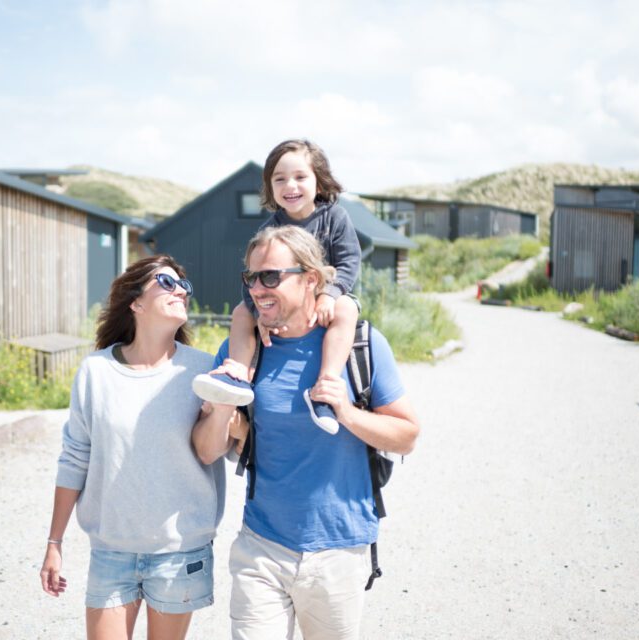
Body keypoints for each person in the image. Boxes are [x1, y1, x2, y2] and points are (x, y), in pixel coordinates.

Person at [192, 226, 420, 640]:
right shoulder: (242, 352)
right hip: (261, 547)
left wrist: (347, 413)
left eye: (271, 277)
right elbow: (207, 452)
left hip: (340, 548)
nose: (257, 289)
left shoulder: (360, 346)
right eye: (251, 278)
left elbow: (407, 435)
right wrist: (225, 404)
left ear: (311, 279)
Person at [41, 255, 234, 640]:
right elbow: (75, 457)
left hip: (181, 552)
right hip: (111, 550)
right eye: (166, 281)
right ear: (135, 302)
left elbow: (217, 450)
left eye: (184, 285)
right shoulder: (95, 371)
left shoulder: (204, 371)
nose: (180, 289)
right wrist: (54, 543)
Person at [192, 139, 362, 434]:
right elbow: (255, 278)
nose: (290, 185)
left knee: (347, 309)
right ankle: (237, 376)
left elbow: (349, 262)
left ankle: (326, 387)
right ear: (270, 187)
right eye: (279, 179)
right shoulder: (268, 230)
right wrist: (261, 314)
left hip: (329, 296)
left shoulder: (335, 217)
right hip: (281, 306)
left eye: (300, 177)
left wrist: (330, 294)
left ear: (319, 183)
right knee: (240, 313)